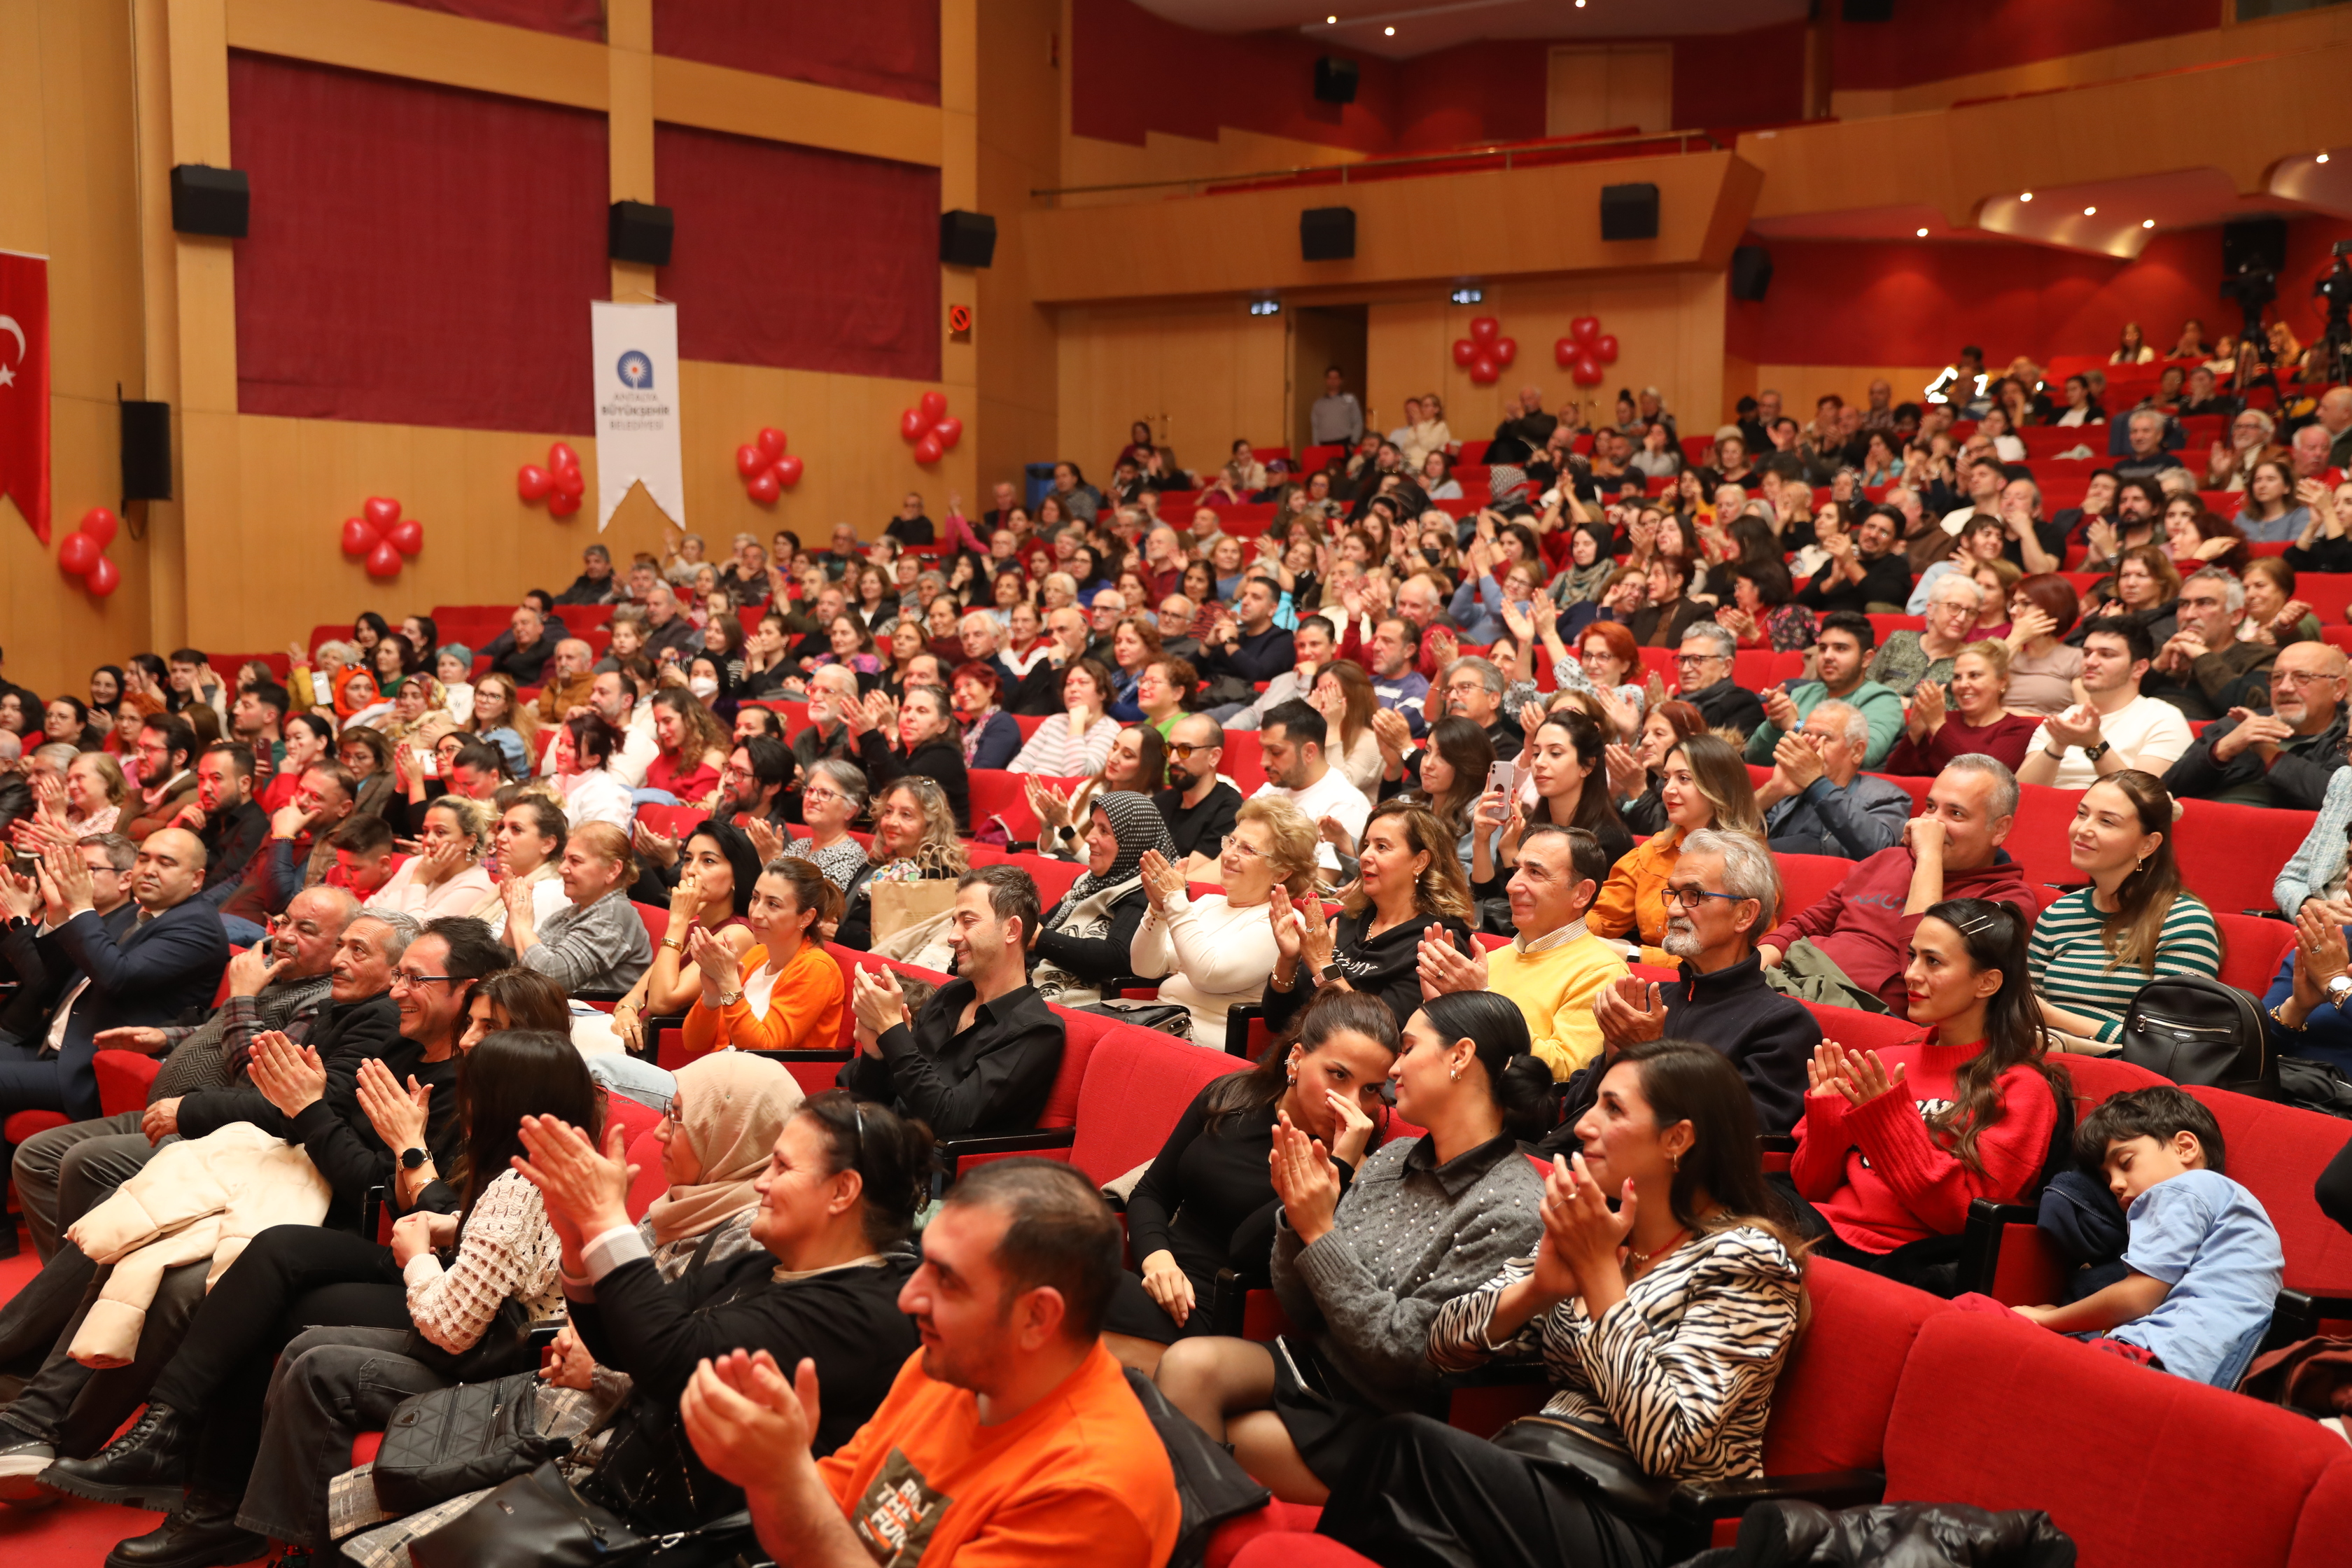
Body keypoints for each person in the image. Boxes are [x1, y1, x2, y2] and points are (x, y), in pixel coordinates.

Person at [59, 1029, 597, 1562]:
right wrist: (448, 1223)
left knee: (270, 1315)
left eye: (488, 1025)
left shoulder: (516, 1177)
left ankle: (210, 1497)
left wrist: (419, 1229)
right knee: (274, 1252)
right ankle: (172, 1435)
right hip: (463, 1285)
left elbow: (457, 1310)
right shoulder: (549, 1162)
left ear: (507, 1098)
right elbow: (500, 1238)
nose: (469, 1045)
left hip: (487, 1340)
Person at [1321, 1040, 1807, 1568]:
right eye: (1594, 1103)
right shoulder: (1600, 1229)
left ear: (1678, 1138)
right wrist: (1537, 1291)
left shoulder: (1748, 1258)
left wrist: (1600, 1279)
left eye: (1614, 1109)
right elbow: (1441, 1345)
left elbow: (1668, 1443)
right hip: (1540, 1471)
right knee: (1407, 1528)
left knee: (1404, 1447)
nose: (1582, 1126)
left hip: (1642, 1522)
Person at [680, 1158, 1181, 1568]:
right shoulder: (945, 1365)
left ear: (1037, 1316)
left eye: (948, 1281)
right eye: (923, 1264)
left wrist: (782, 1477)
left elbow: (813, 1528)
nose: (908, 1299)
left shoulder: (1093, 1492)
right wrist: (777, 1470)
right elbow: (819, 1521)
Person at [1154, 991, 1549, 1502]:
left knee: (1188, 1429)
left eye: (1407, 1049)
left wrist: (1320, 1233)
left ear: (1461, 1056)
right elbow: (1300, 1305)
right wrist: (1299, 1220)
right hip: (1316, 1369)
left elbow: (1404, 1358)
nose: (1394, 1070)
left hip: (1392, 1415)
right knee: (1187, 1367)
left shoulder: (1511, 1208)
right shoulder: (1398, 1156)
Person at [1103, 990, 1399, 1370]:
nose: (1352, 1103)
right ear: (1296, 1059)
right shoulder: (1232, 1096)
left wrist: (1338, 1166)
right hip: (1154, 1282)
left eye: (1370, 1089)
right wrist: (1156, 1259)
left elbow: (1249, 1250)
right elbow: (1152, 1191)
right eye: (1338, 1075)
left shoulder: (1358, 1173)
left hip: (1222, 1321)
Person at [1787, 897, 2064, 1292]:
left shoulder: (2022, 1087)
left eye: (1933, 962)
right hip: (1819, 1228)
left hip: (1904, 1259)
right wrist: (1831, 1113)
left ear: (1987, 982)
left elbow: (1965, 1215)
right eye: (1912, 956)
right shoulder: (1885, 1060)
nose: (1911, 974)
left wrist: (1887, 1120)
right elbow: (1811, 1186)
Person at [1998, 1086, 2283, 1389]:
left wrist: (2046, 1320)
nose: (2115, 1185)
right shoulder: (2231, 1201)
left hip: (2160, 1357)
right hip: (2209, 1364)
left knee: (1986, 1325)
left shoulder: (2180, 1189)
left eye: (2126, 1162)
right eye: (2107, 1177)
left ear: (2185, 1147)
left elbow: (2139, 1298)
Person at [1760, 756, 2036, 1014]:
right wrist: (1752, 966)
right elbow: (1808, 924)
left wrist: (1929, 858)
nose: (1931, 823)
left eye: (1955, 814)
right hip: (1792, 980)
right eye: (1930, 807)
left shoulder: (2006, 901)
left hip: (1862, 1012)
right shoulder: (1886, 859)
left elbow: (1924, 972)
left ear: (1999, 829)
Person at [0, 832, 229, 1126]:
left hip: (86, 1069)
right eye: (144, 858)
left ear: (196, 879)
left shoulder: (198, 927)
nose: (149, 869)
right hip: (47, 1046)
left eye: (166, 863)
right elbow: (52, 986)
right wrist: (58, 914)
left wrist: (81, 907)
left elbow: (116, 977)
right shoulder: (136, 913)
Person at [841, 866, 1064, 1138]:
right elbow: (868, 1104)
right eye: (954, 922)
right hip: (884, 1147)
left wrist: (892, 1030)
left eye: (968, 922)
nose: (952, 936)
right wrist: (876, 1053)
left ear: (1012, 930)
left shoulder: (1036, 1031)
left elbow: (947, 1121)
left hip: (941, 1173)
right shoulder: (949, 997)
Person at [2029, 773, 2220, 1054]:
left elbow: (2172, 1044)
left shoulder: (2184, 920)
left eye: (2106, 821)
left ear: (2148, 844)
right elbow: (2020, 1010)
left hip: (2129, 1080)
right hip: (2040, 1059)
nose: (2083, 829)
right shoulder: (2058, 913)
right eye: (2082, 814)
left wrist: (2054, 1019)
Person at [1420, 824, 1628, 1080]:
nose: (1512, 886)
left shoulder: (1602, 973)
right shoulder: (1492, 960)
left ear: (1581, 894)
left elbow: (1564, 1075)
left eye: (1535, 873)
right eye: (1517, 869)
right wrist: (1437, 1010)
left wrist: (1481, 1002)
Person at [1128, 798, 1317, 1051]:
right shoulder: (1207, 903)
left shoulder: (1282, 921)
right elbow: (1145, 967)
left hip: (1203, 1045)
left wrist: (1174, 899)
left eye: (1247, 849)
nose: (1228, 855)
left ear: (1281, 872)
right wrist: (1158, 910)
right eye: (1231, 841)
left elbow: (1208, 974)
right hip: (1156, 1022)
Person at [1590, 735, 1765, 966]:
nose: (1667, 790)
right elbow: (1603, 916)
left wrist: (1636, 955)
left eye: (1684, 779)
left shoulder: (1745, 861)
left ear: (1719, 788)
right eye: (1666, 778)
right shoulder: (1655, 850)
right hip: (1645, 976)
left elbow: (1735, 960)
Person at [603, 820, 760, 1058]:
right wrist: (626, 1012)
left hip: (675, 1051)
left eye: (708, 861)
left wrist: (677, 921)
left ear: (737, 875)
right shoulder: (693, 924)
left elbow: (662, 1002)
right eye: (688, 859)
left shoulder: (737, 933)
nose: (691, 870)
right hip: (638, 1041)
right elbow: (636, 994)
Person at [2162, 640, 2348, 808]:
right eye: (2277, 677)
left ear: (2338, 689)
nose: (2284, 688)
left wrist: (2268, 752)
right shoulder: (2238, 724)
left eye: (2302, 677)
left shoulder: (2347, 738)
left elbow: (2341, 802)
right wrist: (2223, 749)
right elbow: (2167, 790)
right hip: (2207, 826)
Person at [2017, 623, 2195, 790]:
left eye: (2107, 655)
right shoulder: (2063, 720)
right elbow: (2020, 795)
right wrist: (2058, 744)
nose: (2091, 662)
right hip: (2049, 814)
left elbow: (2146, 801)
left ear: (2139, 668)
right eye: (2087, 653)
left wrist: (2095, 745)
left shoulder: (2163, 718)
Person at [503, 818, 653, 997]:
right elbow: (506, 970)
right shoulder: (570, 913)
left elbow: (550, 980)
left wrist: (521, 925)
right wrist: (513, 921)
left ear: (613, 870)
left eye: (575, 861)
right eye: (564, 859)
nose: (562, 869)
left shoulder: (614, 916)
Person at [1744, 612, 1904, 770]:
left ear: (1867, 659)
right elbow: (1753, 758)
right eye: (1823, 648)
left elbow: (1864, 755)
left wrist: (1796, 725)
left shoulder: (1883, 699)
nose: (1827, 656)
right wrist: (1775, 724)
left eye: (1840, 649)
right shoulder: (1802, 693)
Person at [1757, 699, 1912, 859]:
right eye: (1806, 735)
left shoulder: (1886, 797)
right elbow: (1735, 838)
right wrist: (1774, 790)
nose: (1811, 745)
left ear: (1857, 751)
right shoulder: (1788, 792)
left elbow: (1880, 853)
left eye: (1825, 737)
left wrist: (1816, 783)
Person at [835, 778, 967, 954]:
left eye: (906, 815)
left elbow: (908, 947)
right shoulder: (876, 865)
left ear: (929, 824)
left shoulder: (939, 876)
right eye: (888, 812)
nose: (892, 822)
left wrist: (839, 935)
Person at [1882, 640, 2039, 776]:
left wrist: (1937, 725)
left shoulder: (2019, 729)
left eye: (1974, 675)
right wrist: (1915, 734)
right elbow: (1895, 777)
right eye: (1957, 677)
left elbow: (1980, 779)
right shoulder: (1945, 720)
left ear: (2002, 681)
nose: (1963, 685)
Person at [2141, 566, 2276, 722]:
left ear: (2235, 616)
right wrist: (2157, 667)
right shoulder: (2158, 653)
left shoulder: (2261, 657)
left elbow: (2255, 709)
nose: (2189, 615)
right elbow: (2117, 702)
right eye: (2184, 604)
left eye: (2204, 604)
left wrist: (2203, 657)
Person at [1253, 701, 1371, 873]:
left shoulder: (1346, 805)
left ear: (1309, 752)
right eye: (1263, 750)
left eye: (1276, 752)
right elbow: (1227, 858)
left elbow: (1318, 887)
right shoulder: (1267, 791)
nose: (1264, 762)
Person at [845, 683, 969, 832]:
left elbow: (904, 788)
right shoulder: (901, 754)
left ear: (942, 725)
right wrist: (857, 752)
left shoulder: (947, 755)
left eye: (922, 711)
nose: (910, 717)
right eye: (906, 710)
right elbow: (866, 792)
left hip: (935, 846)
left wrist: (868, 735)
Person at [365, 795, 496, 920]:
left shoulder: (475, 887)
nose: (429, 840)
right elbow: (369, 908)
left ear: (470, 841)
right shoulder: (414, 863)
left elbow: (418, 936)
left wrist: (419, 881)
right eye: (426, 831)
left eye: (440, 832)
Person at [1868, 573, 1980, 699]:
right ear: (1931, 609)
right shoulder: (1900, 640)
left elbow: (1963, 707)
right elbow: (1868, 684)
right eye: (1954, 607)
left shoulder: (1970, 659)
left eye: (1971, 612)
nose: (1962, 618)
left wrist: (1910, 705)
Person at [1157, 713, 1243, 872]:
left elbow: (1185, 876)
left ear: (1214, 757)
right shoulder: (1159, 803)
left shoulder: (1230, 810)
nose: (1173, 759)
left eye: (1185, 750)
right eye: (1170, 749)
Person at [1796, 507, 1912, 616]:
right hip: (1824, 627)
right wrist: (1832, 581)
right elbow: (1801, 602)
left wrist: (1850, 564)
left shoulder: (1897, 565)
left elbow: (1883, 597)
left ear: (1894, 542)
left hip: (1863, 630)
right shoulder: (1835, 563)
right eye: (1870, 527)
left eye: (1884, 532)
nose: (1873, 535)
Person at [2001, 574, 2085, 716]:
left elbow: (2086, 718)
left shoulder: (2076, 659)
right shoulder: (2006, 651)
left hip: (2048, 734)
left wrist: (2018, 716)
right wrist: (2015, 639)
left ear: (2053, 607)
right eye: (2014, 604)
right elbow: (1978, 687)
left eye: (2026, 604)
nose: (2014, 611)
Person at [783, 758, 872, 891]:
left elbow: (813, 907)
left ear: (851, 810)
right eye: (811, 790)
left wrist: (771, 858)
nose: (812, 799)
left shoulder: (850, 857)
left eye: (825, 794)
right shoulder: (800, 845)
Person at [547, 713, 636, 832]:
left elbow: (602, 846)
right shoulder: (557, 780)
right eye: (560, 742)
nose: (559, 751)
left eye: (570, 746)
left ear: (593, 759)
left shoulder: (606, 797)